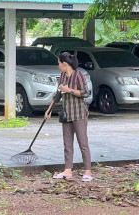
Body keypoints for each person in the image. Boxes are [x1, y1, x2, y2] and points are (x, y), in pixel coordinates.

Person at [44, 52, 93, 182]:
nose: (58, 66)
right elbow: (57, 95)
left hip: (79, 114)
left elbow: (86, 93)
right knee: (67, 143)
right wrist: (48, 110)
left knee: (83, 142)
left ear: (65, 64)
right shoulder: (62, 76)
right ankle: (67, 170)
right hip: (66, 114)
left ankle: (87, 171)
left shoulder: (79, 75)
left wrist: (69, 90)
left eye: (59, 64)